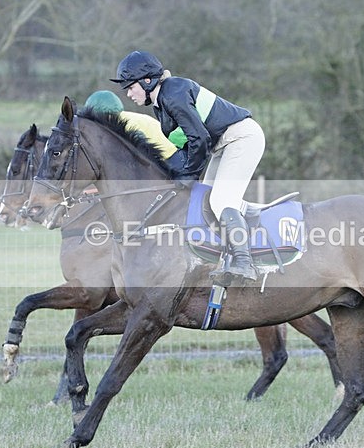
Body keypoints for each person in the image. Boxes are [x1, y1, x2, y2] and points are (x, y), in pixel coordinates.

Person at [110, 50, 265, 283]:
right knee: (205, 201)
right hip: (223, 145)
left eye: (131, 87)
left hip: (242, 138)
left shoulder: (173, 94)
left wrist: (189, 174)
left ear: (147, 81)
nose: (128, 94)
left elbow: (199, 139)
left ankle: (245, 262)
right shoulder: (162, 103)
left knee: (221, 201)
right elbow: (186, 145)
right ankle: (228, 252)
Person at [84, 90, 185, 173]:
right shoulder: (128, 117)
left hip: (171, 159)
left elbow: (140, 153)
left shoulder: (122, 125)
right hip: (174, 155)